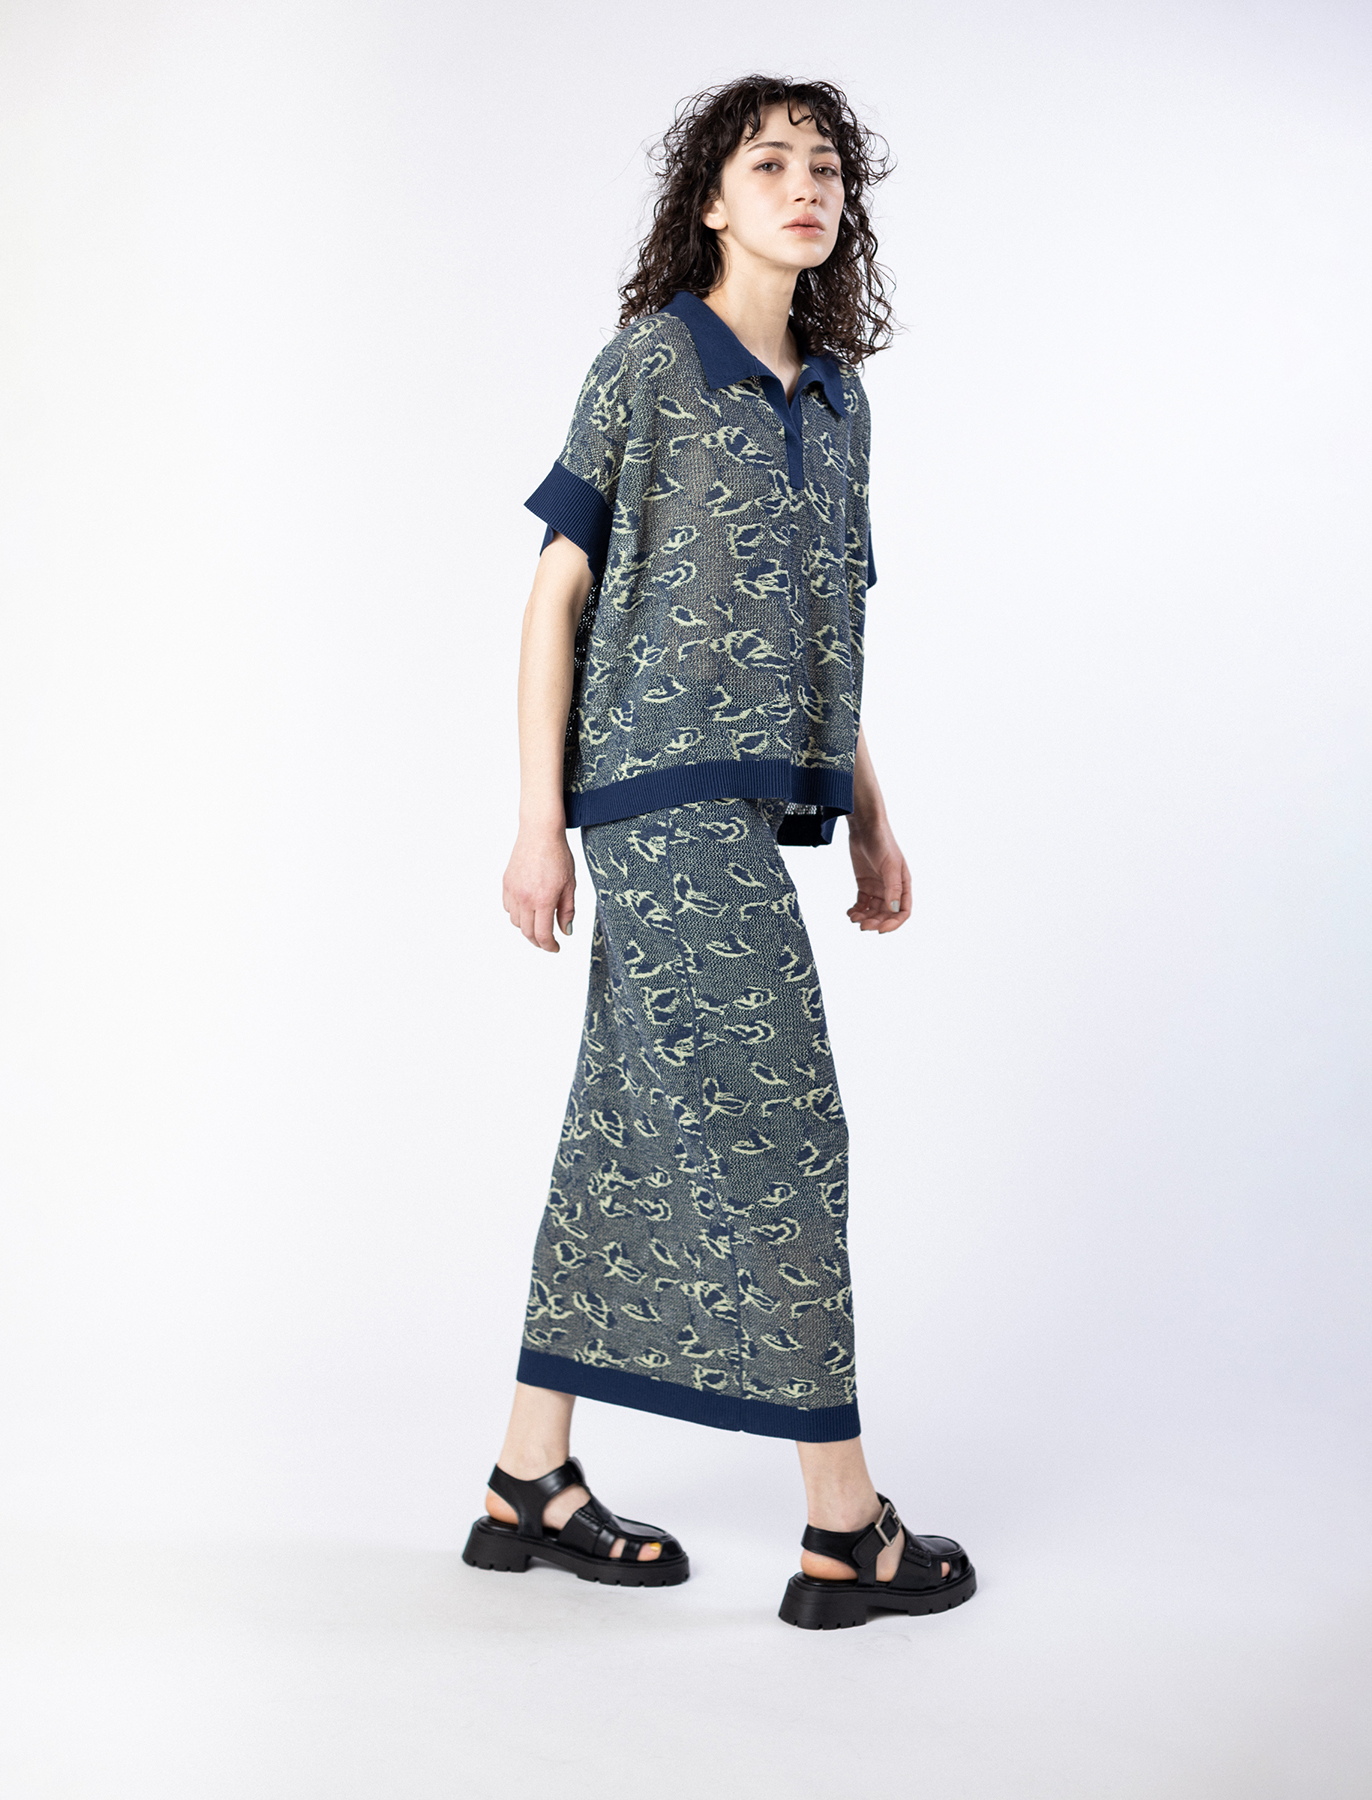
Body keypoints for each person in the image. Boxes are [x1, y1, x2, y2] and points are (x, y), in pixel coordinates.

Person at [463, 74, 975, 1629]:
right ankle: (845, 1526)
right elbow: (554, 597)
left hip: (752, 801)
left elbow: (829, 628)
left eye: (823, 167)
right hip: (654, 796)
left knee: (618, 1128)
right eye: (768, 163)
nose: (803, 187)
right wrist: (538, 820)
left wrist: (870, 810)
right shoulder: (649, 364)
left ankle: (526, 1482)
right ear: (712, 201)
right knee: (789, 1125)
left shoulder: (841, 402)